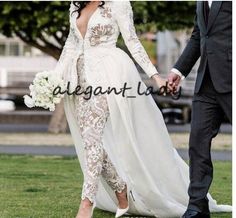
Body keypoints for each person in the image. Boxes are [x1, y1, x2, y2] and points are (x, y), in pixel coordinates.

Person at [54, 1, 232, 217]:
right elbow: (71, 45)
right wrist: (53, 80)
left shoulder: (118, 4)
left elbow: (132, 41)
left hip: (110, 76)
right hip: (81, 80)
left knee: (92, 142)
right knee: (91, 141)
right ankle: (128, 191)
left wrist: (155, 76)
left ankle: (86, 204)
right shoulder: (76, 5)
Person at [168, 1, 232, 217]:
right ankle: (196, 205)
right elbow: (199, 36)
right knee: (197, 142)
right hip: (206, 83)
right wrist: (179, 69)